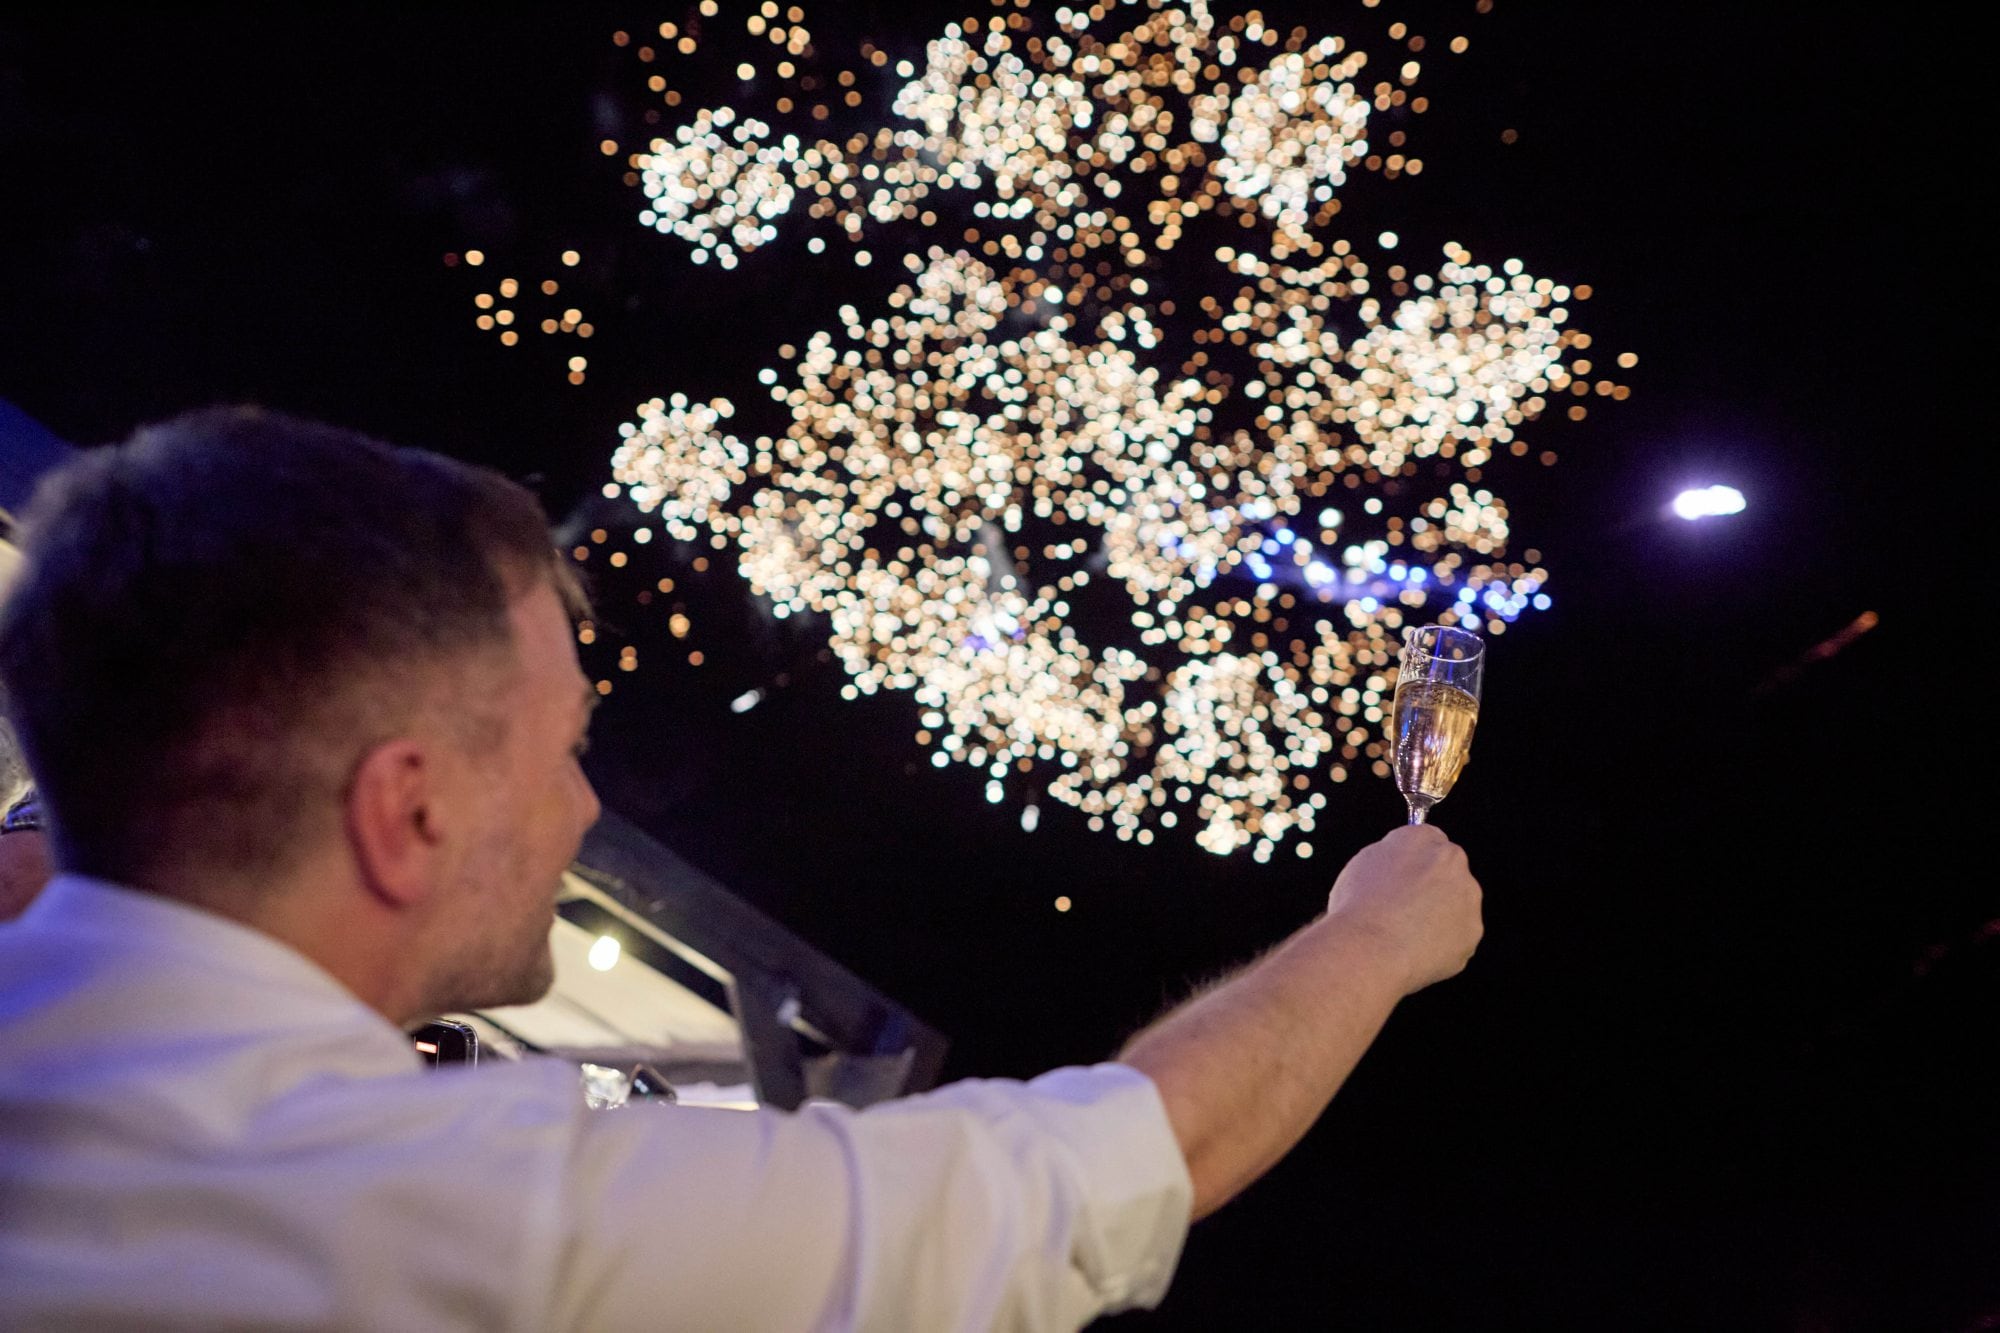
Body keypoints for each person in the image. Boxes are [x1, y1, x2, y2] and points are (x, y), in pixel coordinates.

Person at [0, 407, 1481, 1330]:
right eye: (559, 745)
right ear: (410, 809)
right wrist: (1373, 936)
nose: (584, 806)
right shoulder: (468, 1226)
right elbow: (1098, 1181)